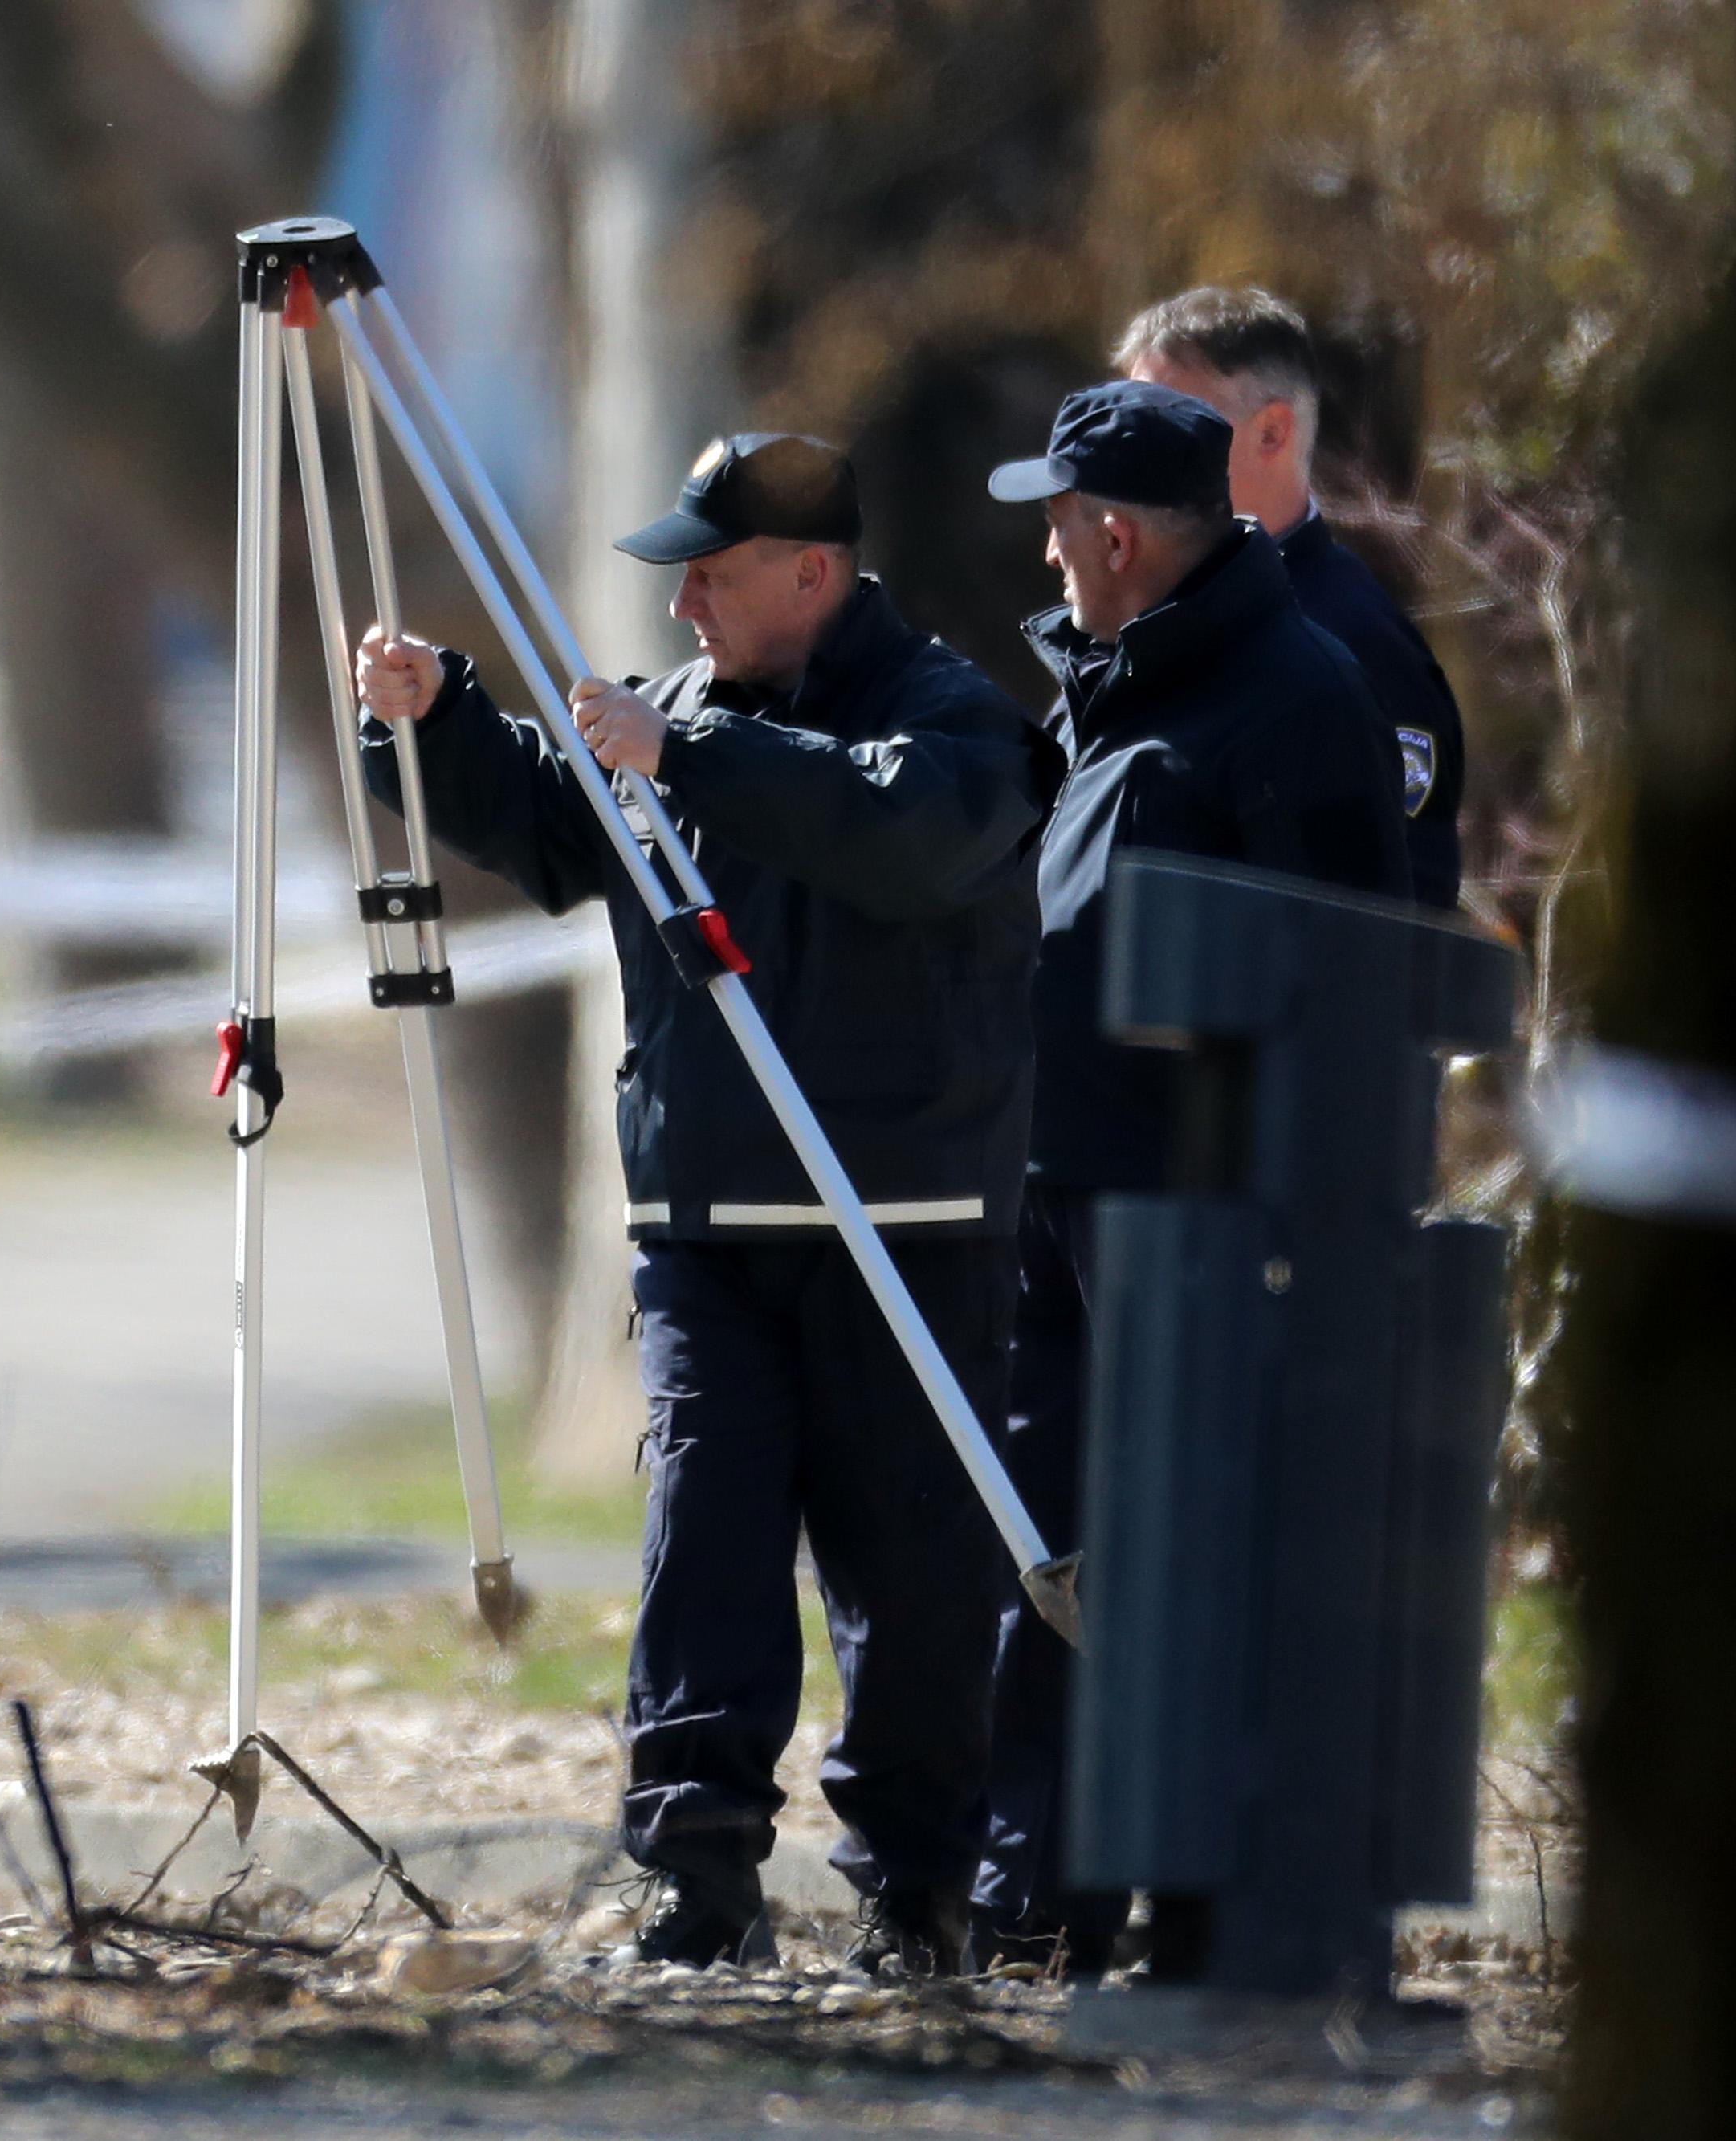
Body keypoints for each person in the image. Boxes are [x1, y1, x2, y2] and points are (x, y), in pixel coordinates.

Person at [354, 433, 1056, 1974]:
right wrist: (434, 722)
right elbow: (547, 826)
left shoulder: (957, 723)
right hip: (711, 1242)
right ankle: (699, 1882)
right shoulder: (669, 726)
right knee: (705, 1549)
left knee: (919, 1588)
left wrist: (689, 762)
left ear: (815, 573)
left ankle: (918, 1895)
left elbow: (903, 833)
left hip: (911, 1235)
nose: (682, 613)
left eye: (714, 577)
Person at [974, 381, 1413, 1972]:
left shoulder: (1288, 693)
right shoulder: (1105, 676)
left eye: (1055, 517)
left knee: (1187, 1555)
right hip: (1061, 1186)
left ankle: (1204, 1906)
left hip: (1201, 1207)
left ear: (1112, 534)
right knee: (1046, 1543)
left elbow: (1345, 972)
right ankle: (1036, 1893)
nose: (1038, 543)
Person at [1115, 288, 1467, 911]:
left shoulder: (1356, 647)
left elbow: (1397, 928)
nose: (1134, 456)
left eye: (1166, 424)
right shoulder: (1133, 620)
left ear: (1272, 432)